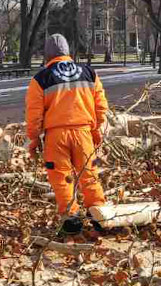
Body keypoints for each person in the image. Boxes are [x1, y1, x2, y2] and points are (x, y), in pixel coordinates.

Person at [24, 34, 110, 235]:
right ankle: (100, 215)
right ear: (68, 52)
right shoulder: (89, 73)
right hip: (84, 133)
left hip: (56, 136)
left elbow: (34, 115)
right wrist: (96, 132)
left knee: (61, 178)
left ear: (47, 56)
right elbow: (101, 107)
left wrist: (34, 140)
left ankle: (71, 220)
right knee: (89, 176)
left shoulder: (40, 79)